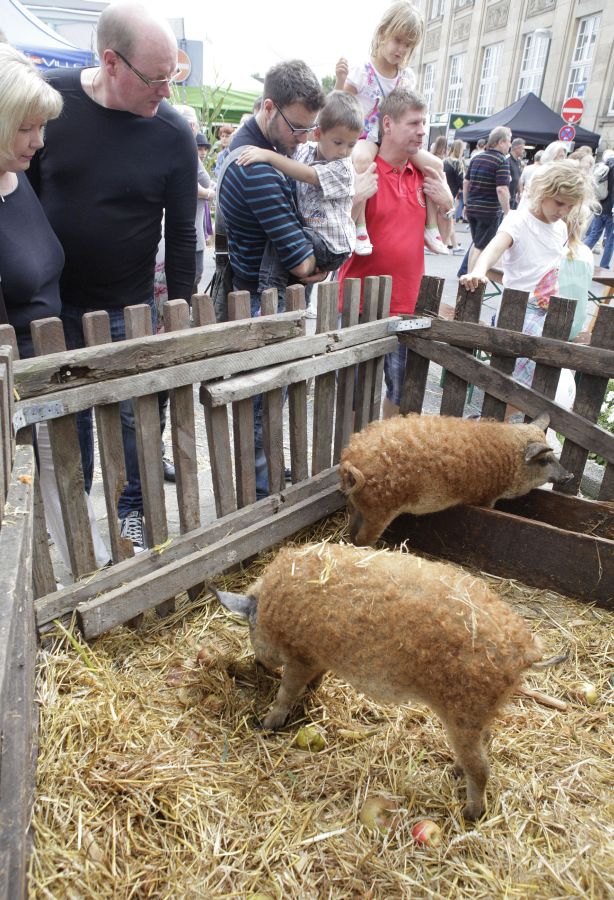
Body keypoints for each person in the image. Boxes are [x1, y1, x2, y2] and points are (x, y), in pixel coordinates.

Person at [28, 0, 197, 552]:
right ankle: (75, 527)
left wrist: (179, 314)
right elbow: (21, 196)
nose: (167, 91)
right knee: (68, 425)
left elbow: (182, 236)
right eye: (156, 78)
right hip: (53, 311)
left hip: (129, 309)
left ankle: (132, 514)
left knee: (135, 422)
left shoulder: (172, 133)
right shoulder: (51, 103)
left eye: (173, 76)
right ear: (110, 62)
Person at [0, 43, 110, 574]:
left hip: (44, 369)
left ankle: (91, 580)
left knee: (63, 485)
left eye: (41, 127)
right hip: (12, 386)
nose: (39, 141)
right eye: (26, 128)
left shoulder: (16, 177)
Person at [336, 89, 454, 418]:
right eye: (413, 123)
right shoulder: (363, 168)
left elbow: (443, 239)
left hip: (408, 304)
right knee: (355, 397)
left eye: (424, 123)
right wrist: (356, 199)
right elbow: (338, 237)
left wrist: (447, 205)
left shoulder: (424, 175)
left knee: (404, 394)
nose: (422, 131)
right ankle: (357, 449)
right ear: (387, 124)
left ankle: (390, 449)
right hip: (361, 303)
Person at [461, 160, 595, 398]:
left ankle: (501, 419)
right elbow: (493, 248)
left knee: (543, 381)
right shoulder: (519, 220)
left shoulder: (560, 228)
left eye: (570, 206)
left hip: (548, 311)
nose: (563, 212)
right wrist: (479, 271)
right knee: (530, 380)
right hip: (519, 310)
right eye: (559, 203)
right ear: (544, 190)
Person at [334, 1, 448, 256]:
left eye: (408, 45)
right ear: (383, 32)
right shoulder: (362, 71)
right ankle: (360, 226)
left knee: (436, 165)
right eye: (398, 40)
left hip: (395, 140)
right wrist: (340, 81)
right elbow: (340, 105)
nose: (401, 49)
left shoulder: (406, 77)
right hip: (366, 136)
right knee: (362, 160)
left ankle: (431, 227)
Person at [236, 91, 363, 298]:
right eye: (338, 143)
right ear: (318, 134)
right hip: (315, 235)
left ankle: (271, 293)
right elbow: (288, 158)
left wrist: (268, 156)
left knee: (284, 238)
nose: (344, 151)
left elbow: (308, 174)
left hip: (331, 246)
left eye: (351, 144)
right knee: (293, 250)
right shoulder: (305, 151)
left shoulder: (343, 169)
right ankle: (292, 301)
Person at [174, 104, 216, 293]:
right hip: (189, 227)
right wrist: (208, 193)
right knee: (192, 275)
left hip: (192, 224)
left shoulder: (182, 146)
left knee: (193, 276)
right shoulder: (184, 147)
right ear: (192, 126)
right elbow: (187, 183)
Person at [462, 126, 512, 269]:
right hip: (488, 211)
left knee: (476, 243)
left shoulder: (477, 158)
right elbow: (502, 189)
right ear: (501, 142)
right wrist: (507, 212)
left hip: (472, 208)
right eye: (509, 141)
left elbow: (466, 182)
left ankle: (468, 275)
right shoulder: (501, 161)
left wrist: (466, 203)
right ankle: (471, 278)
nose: (510, 145)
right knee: (481, 247)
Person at [583, 149, 614, 269]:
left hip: (600, 206)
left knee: (593, 235)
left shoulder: (602, 166)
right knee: (610, 239)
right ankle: (604, 266)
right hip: (611, 209)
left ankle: (579, 257)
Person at [443, 139, 465, 253]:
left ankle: (452, 244)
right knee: (449, 220)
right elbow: (461, 182)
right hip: (451, 194)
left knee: (448, 220)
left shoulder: (445, 161)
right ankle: (451, 245)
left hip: (442, 192)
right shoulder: (457, 163)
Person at [507, 137, 525, 209]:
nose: (523, 151)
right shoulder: (507, 160)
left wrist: (520, 193)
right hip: (507, 197)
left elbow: (518, 178)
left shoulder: (518, 161)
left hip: (514, 197)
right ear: (517, 148)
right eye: (522, 149)